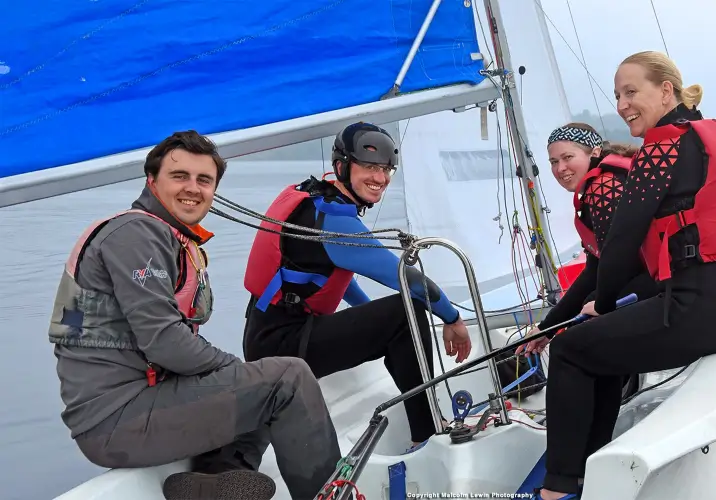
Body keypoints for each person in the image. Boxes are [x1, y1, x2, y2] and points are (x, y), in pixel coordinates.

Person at [521, 51, 716, 500]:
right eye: (617, 95)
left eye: (631, 91)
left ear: (666, 90)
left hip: (704, 305)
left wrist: (600, 305)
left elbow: (621, 241)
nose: (622, 104)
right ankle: (592, 462)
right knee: (600, 350)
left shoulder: (663, 147)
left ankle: (559, 486)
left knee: (569, 351)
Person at [48, 131, 341, 500]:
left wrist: (237, 373)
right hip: (117, 420)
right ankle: (333, 496)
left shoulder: (166, 236)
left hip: (139, 406)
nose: (193, 188)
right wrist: (233, 368)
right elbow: (167, 343)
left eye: (204, 180)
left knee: (259, 378)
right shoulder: (136, 234)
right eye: (179, 176)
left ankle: (215, 481)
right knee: (288, 377)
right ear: (151, 181)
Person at [242, 121, 473, 448]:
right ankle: (428, 431)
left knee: (397, 318)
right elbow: (408, 281)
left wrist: (369, 319)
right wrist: (453, 319)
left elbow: (326, 278)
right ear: (342, 166)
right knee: (406, 312)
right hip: (283, 347)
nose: (380, 178)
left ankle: (426, 424)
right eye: (369, 167)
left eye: (386, 169)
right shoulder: (333, 219)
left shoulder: (316, 198)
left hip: (266, 336)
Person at [515, 122, 660, 401]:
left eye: (568, 158)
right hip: (639, 279)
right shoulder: (593, 188)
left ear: (594, 152)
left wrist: (596, 308)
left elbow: (621, 266)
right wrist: (549, 326)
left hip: (657, 281)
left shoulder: (604, 187)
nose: (560, 169)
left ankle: (592, 418)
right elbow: (594, 270)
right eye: (554, 162)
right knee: (585, 313)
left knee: (577, 336)